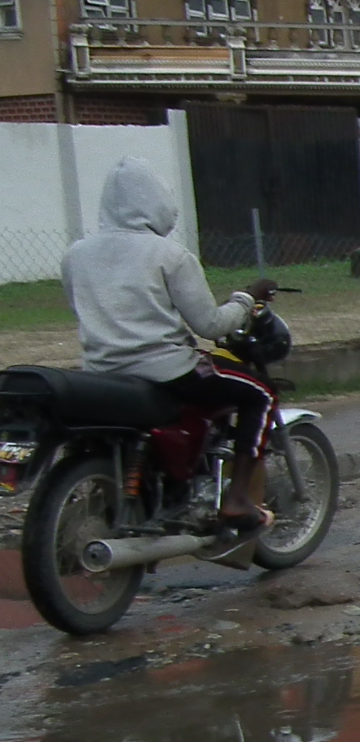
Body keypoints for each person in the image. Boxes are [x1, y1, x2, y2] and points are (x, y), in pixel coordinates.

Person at [61, 157, 272, 531]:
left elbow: (81, 310)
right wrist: (245, 299)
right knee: (262, 393)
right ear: (157, 201)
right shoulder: (169, 254)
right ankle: (239, 498)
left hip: (102, 373)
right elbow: (209, 324)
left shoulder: (76, 254)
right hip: (168, 372)